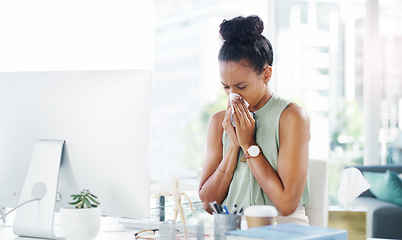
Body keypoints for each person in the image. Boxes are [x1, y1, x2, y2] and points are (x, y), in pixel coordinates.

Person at [198, 15, 311, 225]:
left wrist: (248, 144)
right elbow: (208, 202)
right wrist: (233, 146)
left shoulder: (292, 117)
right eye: (226, 87)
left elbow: (286, 205)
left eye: (241, 87)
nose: (233, 96)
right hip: (234, 229)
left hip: (283, 229)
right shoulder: (218, 122)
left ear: (266, 74)